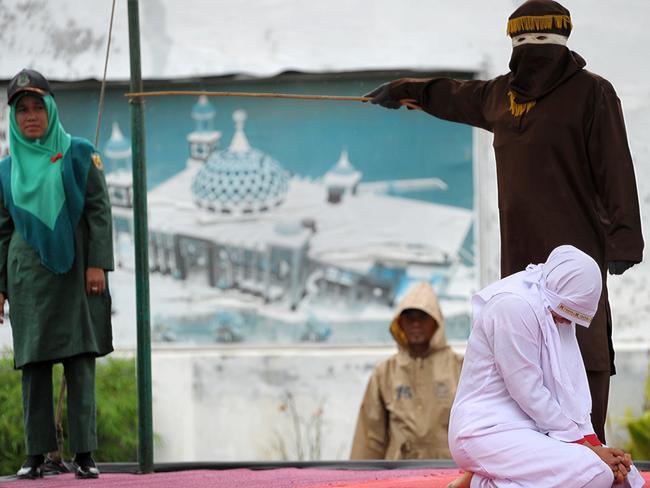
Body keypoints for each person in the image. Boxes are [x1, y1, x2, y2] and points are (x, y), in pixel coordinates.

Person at [363, 0, 644, 443]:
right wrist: (402, 90)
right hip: (519, 262)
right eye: (521, 42)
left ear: (561, 41)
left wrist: (625, 238)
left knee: (578, 352)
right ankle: (523, 457)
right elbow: (453, 95)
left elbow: (615, 165)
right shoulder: (500, 96)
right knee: (519, 359)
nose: (530, 52)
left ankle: (587, 456)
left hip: (573, 257)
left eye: (539, 41)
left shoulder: (592, 93)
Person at [446, 245, 644, 488]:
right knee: (596, 474)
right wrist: (587, 449)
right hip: (485, 432)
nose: (566, 322)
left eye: (573, 317)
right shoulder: (512, 306)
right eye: (566, 313)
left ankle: (490, 480)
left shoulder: (553, 305)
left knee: (625, 478)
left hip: (533, 428)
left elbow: (569, 391)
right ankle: (478, 484)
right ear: (557, 293)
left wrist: (593, 444)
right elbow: (529, 392)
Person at [0, 69, 114, 479]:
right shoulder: (5, 170)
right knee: (34, 366)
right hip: (27, 280)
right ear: (14, 117)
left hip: (76, 276)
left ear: (51, 109)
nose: (31, 116)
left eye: (37, 107)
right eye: (22, 110)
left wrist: (97, 263)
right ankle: (36, 454)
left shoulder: (80, 154)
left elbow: (100, 212)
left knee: (80, 360)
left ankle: (84, 453)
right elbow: (2, 231)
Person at [350, 282, 462, 459]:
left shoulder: (459, 367)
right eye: (409, 317)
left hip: (449, 471)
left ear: (436, 321)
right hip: (399, 470)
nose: (416, 324)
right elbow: (370, 436)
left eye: (423, 317)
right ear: (400, 323)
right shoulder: (385, 372)